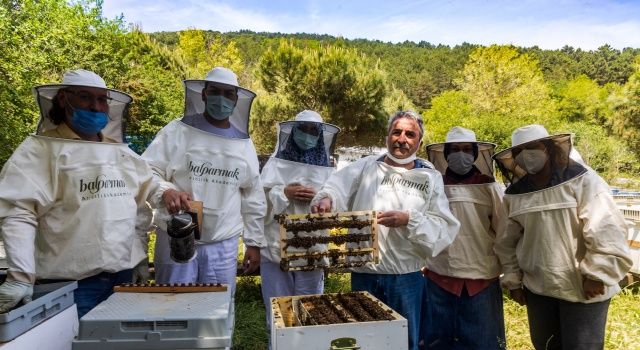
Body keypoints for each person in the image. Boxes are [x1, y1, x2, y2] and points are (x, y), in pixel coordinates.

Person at [0, 69, 158, 317]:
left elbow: (138, 205)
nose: (95, 107)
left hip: (123, 278)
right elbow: (18, 213)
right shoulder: (40, 151)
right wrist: (20, 276)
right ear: (63, 99)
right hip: (70, 286)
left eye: (101, 99)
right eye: (85, 97)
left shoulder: (119, 152)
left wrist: (137, 256)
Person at [311, 110, 460, 350]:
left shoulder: (430, 177)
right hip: (364, 272)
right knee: (363, 340)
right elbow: (336, 186)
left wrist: (408, 219)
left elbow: (443, 227)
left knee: (403, 341)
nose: (402, 138)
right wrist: (327, 199)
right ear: (387, 137)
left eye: (410, 134)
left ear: (419, 143)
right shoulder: (365, 167)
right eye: (397, 132)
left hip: (406, 278)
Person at [493, 124, 632, 350]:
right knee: (545, 345)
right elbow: (506, 242)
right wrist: (513, 280)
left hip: (583, 286)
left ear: (548, 148)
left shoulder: (584, 181)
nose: (526, 155)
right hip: (538, 288)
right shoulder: (515, 195)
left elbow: (606, 228)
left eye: (532, 147)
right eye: (519, 151)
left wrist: (598, 273)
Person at [141, 67, 265, 294]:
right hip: (176, 237)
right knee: (172, 307)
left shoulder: (244, 144)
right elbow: (146, 170)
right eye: (215, 91)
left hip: (223, 243)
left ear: (236, 99)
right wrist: (166, 192)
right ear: (204, 93)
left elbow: (253, 196)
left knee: (216, 312)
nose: (221, 98)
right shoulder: (176, 131)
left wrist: (254, 243)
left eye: (228, 94)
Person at [423, 126, 506, 349]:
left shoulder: (489, 186)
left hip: (482, 279)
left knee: (485, 344)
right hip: (439, 277)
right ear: (446, 154)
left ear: (476, 154)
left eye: (467, 149)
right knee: (436, 343)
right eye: (455, 149)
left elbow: (504, 232)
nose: (461, 154)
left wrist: (512, 272)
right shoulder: (434, 185)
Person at [260, 110, 340, 333]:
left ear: (320, 135)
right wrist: (284, 192)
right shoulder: (276, 164)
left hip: (312, 250)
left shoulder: (328, 169)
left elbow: (337, 201)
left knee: (309, 314)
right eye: (302, 130)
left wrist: (324, 198)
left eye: (313, 131)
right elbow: (258, 200)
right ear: (293, 131)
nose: (307, 135)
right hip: (276, 251)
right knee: (278, 315)